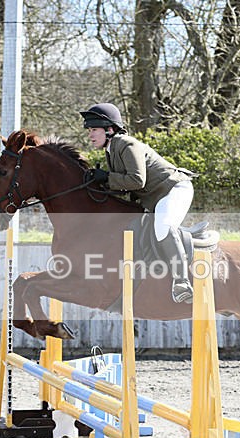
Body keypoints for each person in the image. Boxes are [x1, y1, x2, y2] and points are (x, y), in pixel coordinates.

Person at [80, 103, 195, 303]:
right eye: (89, 130)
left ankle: (182, 281)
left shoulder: (126, 143)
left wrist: (106, 178)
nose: (90, 135)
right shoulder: (111, 149)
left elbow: (136, 181)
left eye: (94, 130)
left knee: (163, 226)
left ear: (109, 130)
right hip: (156, 197)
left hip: (174, 190)